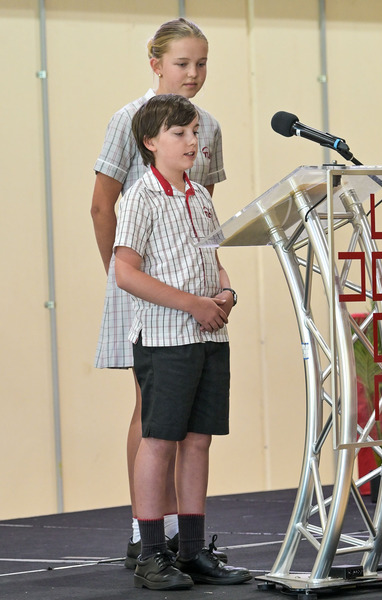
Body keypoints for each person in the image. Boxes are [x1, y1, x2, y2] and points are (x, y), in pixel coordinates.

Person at [90, 18, 227, 566]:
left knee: (189, 422)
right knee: (152, 409)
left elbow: (202, 209)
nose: (192, 73)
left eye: (201, 63)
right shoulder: (129, 119)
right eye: (181, 63)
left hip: (192, 288)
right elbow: (102, 204)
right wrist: (121, 278)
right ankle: (145, 532)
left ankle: (182, 538)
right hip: (141, 282)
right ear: (156, 64)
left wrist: (215, 284)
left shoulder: (208, 125)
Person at [114, 93, 250, 591]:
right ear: (151, 142)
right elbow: (125, 272)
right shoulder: (140, 197)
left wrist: (226, 292)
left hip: (209, 336)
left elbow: (213, 260)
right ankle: (152, 554)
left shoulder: (201, 196)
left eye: (195, 132)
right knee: (160, 440)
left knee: (198, 440)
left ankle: (191, 551)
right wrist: (192, 304)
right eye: (179, 133)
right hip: (165, 339)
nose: (192, 141)